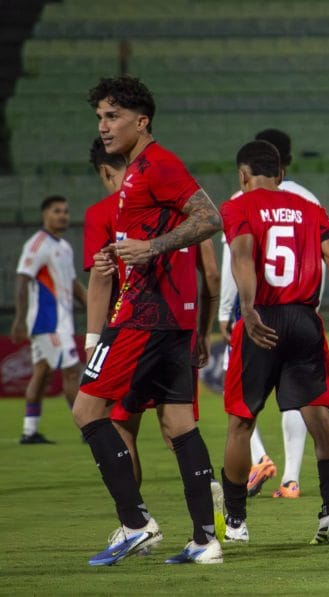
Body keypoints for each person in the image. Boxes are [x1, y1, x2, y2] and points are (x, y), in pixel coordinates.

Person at [74, 75, 224, 566]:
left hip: (143, 316)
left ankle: (136, 524)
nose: (104, 125)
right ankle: (206, 540)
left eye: (112, 116)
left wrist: (150, 248)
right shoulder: (136, 172)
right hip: (170, 318)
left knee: (86, 412)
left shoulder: (159, 164)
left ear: (142, 121)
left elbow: (210, 218)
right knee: (179, 425)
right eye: (100, 117)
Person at [219, 140, 329, 546]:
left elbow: (242, 253)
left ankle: (237, 522)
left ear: (243, 176)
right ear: (280, 174)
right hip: (305, 322)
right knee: (321, 422)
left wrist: (246, 306)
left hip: (263, 317)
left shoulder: (238, 205)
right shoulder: (311, 209)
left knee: (241, 423)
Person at [218, 128, 316, 500]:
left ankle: (259, 458)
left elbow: (235, 259)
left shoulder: (240, 200)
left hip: (256, 315)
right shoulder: (309, 200)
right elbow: (326, 259)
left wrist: (227, 312)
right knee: (297, 397)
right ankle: (291, 478)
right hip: (302, 313)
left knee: (242, 400)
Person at [11, 195, 87, 444]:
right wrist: (19, 319)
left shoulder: (63, 246)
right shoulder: (37, 244)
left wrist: (92, 306)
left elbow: (73, 284)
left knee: (41, 373)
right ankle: (89, 429)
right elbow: (23, 278)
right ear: (45, 214)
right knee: (72, 372)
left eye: (65, 211)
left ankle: (29, 431)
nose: (63, 215)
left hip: (58, 321)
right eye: (57, 211)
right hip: (48, 322)